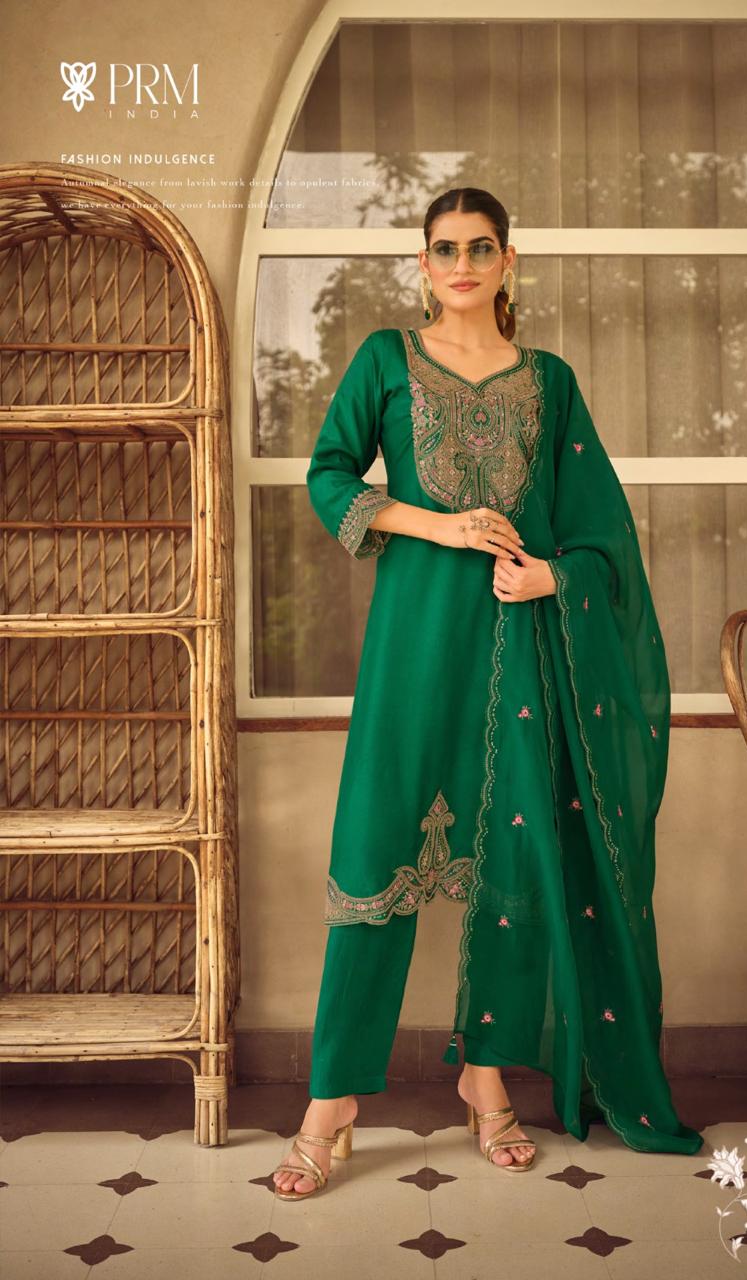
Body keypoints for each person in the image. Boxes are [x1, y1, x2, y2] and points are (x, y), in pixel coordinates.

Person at [272, 187, 703, 1201]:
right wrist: (439, 524)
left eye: (479, 248)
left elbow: (600, 527)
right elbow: (328, 476)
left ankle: (486, 1079)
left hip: (520, 647)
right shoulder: (385, 360)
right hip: (414, 644)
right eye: (443, 249)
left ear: (509, 260)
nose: (460, 264)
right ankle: (330, 1103)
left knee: (513, 854)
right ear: (422, 264)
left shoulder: (549, 381)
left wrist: (554, 576)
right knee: (374, 853)